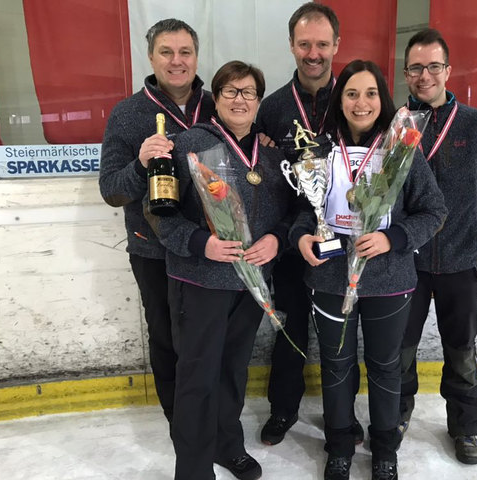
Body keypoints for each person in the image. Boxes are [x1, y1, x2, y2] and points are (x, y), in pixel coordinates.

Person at [290, 60, 447, 480]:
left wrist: (392, 238)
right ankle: (339, 445)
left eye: (371, 93)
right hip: (329, 278)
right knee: (336, 364)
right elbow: (304, 212)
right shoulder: (319, 150)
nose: (362, 103)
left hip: (388, 280)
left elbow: (434, 212)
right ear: (339, 101)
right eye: (352, 93)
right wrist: (301, 237)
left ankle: (384, 450)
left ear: (384, 99)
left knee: (384, 366)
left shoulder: (401, 149)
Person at [146, 60, 293, 480]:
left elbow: (290, 214)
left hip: (249, 287)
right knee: (196, 377)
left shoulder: (269, 154)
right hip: (200, 282)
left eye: (249, 92)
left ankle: (228, 445)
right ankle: (192, 468)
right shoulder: (189, 144)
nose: (240, 99)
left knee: (232, 372)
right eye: (230, 91)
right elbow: (158, 213)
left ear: (259, 101)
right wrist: (201, 243)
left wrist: (277, 239)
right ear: (216, 98)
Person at [256, 1, 366, 447]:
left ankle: (346, 415)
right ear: (292, 46)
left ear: (337, 45)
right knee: (289, 328)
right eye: (305, 44)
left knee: (345, 331)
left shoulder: (357, 100)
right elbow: (255, 173)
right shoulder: (274, 108)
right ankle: (283, 409)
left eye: (322, 44)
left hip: (344, 241)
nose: (314, 53)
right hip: (286, 241)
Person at [99, 18, 214, 424]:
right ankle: (181, 426)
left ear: (197, 57)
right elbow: (111, 190)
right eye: (167, 52)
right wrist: (140, 164)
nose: (177, 61)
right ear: (151, 57)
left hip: (209, 249)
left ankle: (213, 423)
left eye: (185, 52)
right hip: (153, 251)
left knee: (208, 343)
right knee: (166, 341)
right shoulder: (128, 114)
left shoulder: (219, 107)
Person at [399, 28, 477, 466]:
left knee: (462, 349)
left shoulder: (476, 124)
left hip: (460, 259)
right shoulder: (397, 123)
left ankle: (465, 426)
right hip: (407, 262)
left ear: (448, 70)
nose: (425, 75)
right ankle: (397, 415)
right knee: (399, 348)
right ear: (406, 73)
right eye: (416, 67)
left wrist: (460, 235)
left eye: (433, 66)